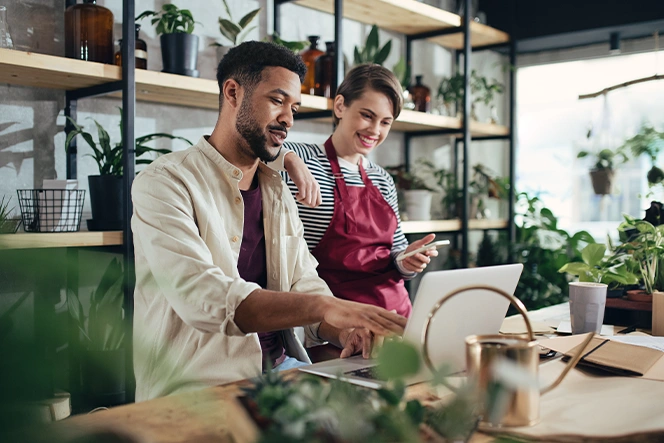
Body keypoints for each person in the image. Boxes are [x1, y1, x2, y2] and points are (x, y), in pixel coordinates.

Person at [131, 42, 406, 401]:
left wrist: (342, 331)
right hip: (199, 392)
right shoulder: (165, 182)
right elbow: (202, 296)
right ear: (233, 92)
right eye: (277, 101)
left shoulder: (276, 189)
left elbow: (303, 281)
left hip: (282, 374)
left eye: (294, 107)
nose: (289, 119)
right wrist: (328, 306)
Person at [275, 64, 439, 318]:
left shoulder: (382, 179)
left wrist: (407, 261)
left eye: (385, 122)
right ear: (340, 106)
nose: (375, 130)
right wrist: (289, 159)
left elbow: (395, 254)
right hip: (336, 319)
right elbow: (249, 151)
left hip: (396, 314)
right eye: (367, 115)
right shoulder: (301, 159)